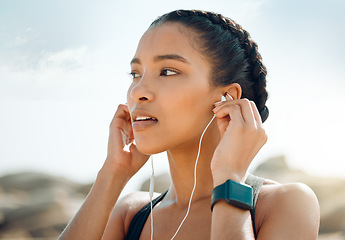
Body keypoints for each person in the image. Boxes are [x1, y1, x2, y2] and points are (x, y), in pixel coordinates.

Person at [59, 9, 320, 239]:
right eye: (135, 74)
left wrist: (229, 177)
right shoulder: (130, 215)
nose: (138, 90)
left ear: (227, 98)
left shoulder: (283, 204)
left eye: (168, 71)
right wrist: (113, 174)